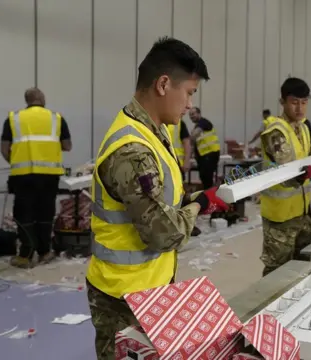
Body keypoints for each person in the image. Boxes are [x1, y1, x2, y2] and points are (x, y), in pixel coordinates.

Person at [85, 37, 228, 360]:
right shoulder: (132, 150)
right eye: (189, 93)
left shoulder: (153, 131)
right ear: (164, 84)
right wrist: (203, 204)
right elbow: (164, 232)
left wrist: (196, 197)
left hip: (148, 287)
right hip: (123, 297)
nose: (190, 105)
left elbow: (163, 199)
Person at [1, 87, 72, 268]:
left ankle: (25, 256)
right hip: (49, 176)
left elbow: (4, 148)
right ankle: (44, 252)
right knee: (45, 213)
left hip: (23, 176)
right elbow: (67, 145)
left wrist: (16, 160)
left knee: (24, 215)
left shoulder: (13, 119)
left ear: (27, 100)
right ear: (42, 99)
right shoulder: (56, 119)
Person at [259, 77, 311, 276]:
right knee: (277, 270)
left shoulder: (303, 128)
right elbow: (287, 169)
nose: (300, 108)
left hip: (302, 212)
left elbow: (308, 152)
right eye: (294, 102)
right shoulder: (275, 132)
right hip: (280, 217)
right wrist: (303, 174)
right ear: (282, 102)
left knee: (301, 267)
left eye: (304, 102)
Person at [189, 107, 221, 189]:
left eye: (193, 114)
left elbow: (194, 135)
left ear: (199, 114)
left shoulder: (203, 122)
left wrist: (186, 140)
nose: (191, 116)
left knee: (207, 178)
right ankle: (208, 197)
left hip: (209, 155)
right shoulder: (198, 125)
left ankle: (210, 198)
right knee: (204, 178)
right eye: (190, 115)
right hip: (204, 157)